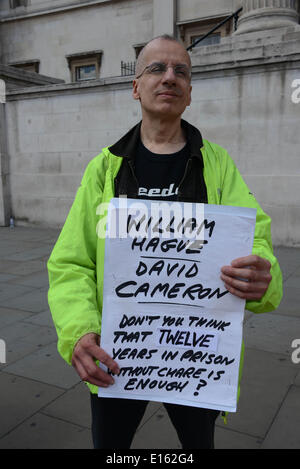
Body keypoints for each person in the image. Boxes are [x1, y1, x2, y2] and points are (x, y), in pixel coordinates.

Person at [47, 35, 282, 449]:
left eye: (181, 71)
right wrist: (79, 332)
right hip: (118, 353)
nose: (169, 77)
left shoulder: (218, 163)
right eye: (156, 68)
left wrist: (262, 274)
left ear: (190, 93)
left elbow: (255, 238)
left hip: (197, 355)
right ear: (136, 87)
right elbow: (71, 262)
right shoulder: (104, 168)